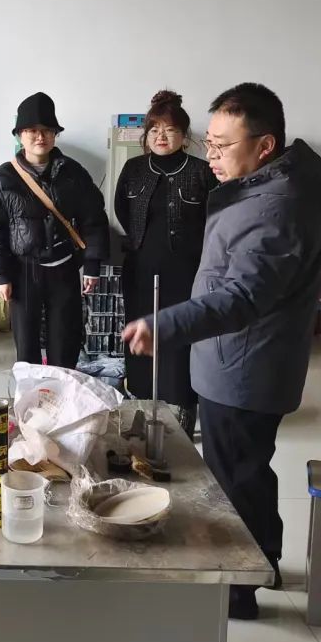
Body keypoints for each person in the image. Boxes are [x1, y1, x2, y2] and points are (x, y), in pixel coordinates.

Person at [123, 83, 321, 620]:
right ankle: (264, 561)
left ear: (265, 146)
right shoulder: (260, 190)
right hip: (236, 360)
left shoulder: (277, 207)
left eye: (223, 146)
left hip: (246, 368)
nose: (212, 155)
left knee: (235, 479)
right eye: (210, 143)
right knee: (246, 470)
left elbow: (242, 296)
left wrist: (165, 324)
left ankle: (238, 592)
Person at [0, 92, 108, 368]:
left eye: (47, 130)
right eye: (32, 130)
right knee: (27, 345)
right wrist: (1, 275)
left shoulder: (73, 173)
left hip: (64, 268)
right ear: (19, 135)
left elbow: (94, 218)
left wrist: (92, 265)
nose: (40, 137)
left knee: (65, 340)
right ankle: (31, 392)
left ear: (55, 134)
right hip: (23, 270)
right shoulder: (2, 179)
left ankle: (62, 391)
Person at [114, 90, 216, 437]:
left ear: (184, 136)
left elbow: (214, 221)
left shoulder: (201, 172)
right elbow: (122, 209)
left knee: (179, 336)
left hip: (185, 271)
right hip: (140, 269)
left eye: (170, 130)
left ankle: (182, 407)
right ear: (146, 136)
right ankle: (141, 403)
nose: (161, 136)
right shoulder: (133, 169)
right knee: (140, 334)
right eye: (154, 130)